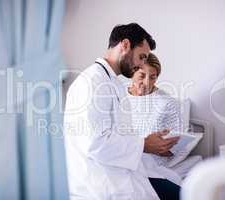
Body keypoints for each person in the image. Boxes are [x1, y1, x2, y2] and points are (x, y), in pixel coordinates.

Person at [63, 23, 180, 200]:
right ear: (125, 45)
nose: (141, 64)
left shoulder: (111, 82)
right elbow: (95, 143)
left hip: (118, 175)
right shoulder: (92, 82)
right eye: (141, 57)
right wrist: (144, 144)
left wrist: (146, 144)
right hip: (100, 186)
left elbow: (117, 133)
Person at [127, 52, 183, 200]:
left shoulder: (165, 102)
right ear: (132, 73)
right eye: (142, 76)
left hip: (152, 166)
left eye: (153, 77)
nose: (147, 82)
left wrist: (162, 147)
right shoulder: (119, 98)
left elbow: (175, 148)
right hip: (122, 160)